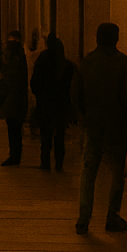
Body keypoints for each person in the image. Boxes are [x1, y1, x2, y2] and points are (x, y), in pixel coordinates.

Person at [73, 21, 127, 234]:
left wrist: (84, 116)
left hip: (94, 124)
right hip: (118, 127)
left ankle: (84, 217)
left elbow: (77, 94)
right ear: (117, 39)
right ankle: (112, 215)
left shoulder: (87, 62)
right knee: (116, 172)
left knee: (89, 170)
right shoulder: (124, 64)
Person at [31, 32, 76, 171]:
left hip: (45, 103)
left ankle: (45, 162)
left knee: (45, 136)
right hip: (61, 104)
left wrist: (39, 94)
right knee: (60, 135)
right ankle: (59, 163)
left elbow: (35, 83)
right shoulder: (67, 66)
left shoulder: (42, 61)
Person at [0, 30, 30, 166]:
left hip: (12, 99)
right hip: (18, 99)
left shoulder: (12, 59)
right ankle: (15, 155)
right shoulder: (21, 57)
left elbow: (7, 81)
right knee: (15, 129)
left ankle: (14, 156)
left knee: (13, 129)